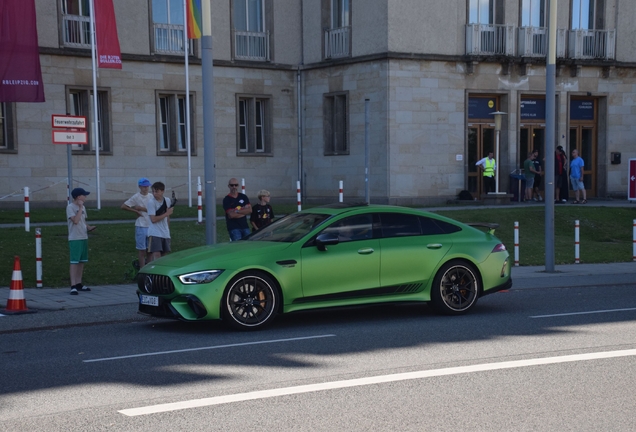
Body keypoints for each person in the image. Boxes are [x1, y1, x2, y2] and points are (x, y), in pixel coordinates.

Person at [66, 187, 95, 295]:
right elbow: (76, 221)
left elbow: (82, 221)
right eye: (84, 195)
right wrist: (80, 207)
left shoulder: (83, 207)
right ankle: (73, 285)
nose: (85, 197)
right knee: (74, 261)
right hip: (75, 238)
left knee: (81, 261)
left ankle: (79, 283)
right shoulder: (70, 207)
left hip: (83, 237)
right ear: (79, 197)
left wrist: (88, 227)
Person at [121, 177, 153, 269]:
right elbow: (124, 206)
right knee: (142, 250)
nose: (146, 188)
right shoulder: (136, 197)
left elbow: (153, 210)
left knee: (149, 250)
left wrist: (141, 209)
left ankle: (149, 267)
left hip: (151, 225)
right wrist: (135, 211)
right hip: (141, 225)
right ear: (140, 187)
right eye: (144, 187)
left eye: (147, 186)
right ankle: (142, 268)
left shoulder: (151, 197)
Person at [146, 181, 173, 260]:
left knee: (164, 255)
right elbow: (153, 219)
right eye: (153, 191)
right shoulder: (151, 203)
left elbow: (168, 218)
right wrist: (166, 214)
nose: (154, 193)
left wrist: (167, 229)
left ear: (162, 191)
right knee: (156, 254)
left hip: (164, 232)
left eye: (157, 191)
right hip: (155, 233)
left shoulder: (167, 200)